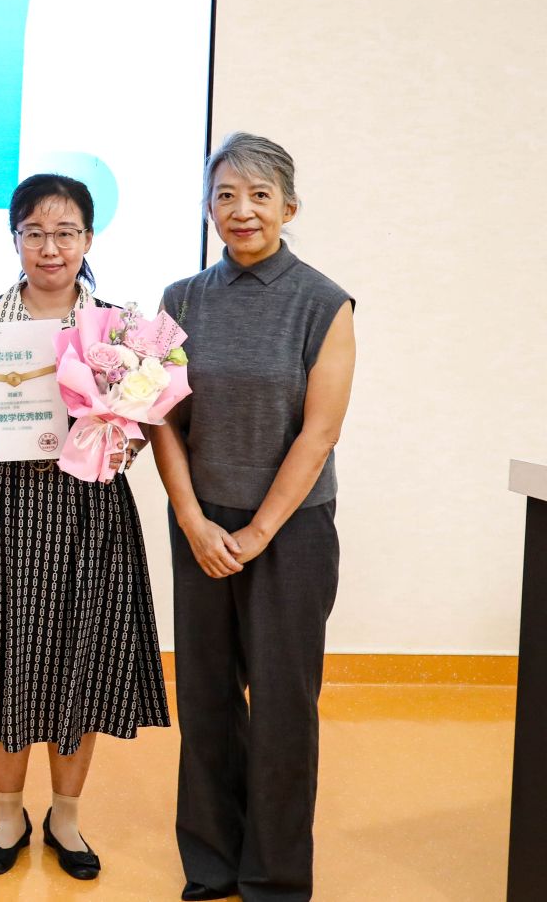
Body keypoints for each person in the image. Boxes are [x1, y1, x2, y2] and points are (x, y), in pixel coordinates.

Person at [0, 173, 169, 881]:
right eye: (34, 232)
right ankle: (8, 815)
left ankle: (65, 815)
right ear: (15, 238)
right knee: (2, 656)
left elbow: (146, 420)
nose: (50, 247)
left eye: (65, 233)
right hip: (2, 507)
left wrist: (126, 438)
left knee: (79, 658)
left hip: (90, 509)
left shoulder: (119, 327)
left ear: (88, 239)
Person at [148, 133, 355, 902]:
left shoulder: (324, 302)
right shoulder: (181, 299)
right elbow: (159, 417)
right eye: (226, 194)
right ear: (209, 207)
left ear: (288, 207)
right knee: (205, 698)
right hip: (202, 522)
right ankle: (211, 861)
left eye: (260, 195)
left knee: (281, 706)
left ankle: (274, 876)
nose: (242, 209)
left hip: (291, 531)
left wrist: (257, 532)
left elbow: (320, 432)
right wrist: (193, 520)